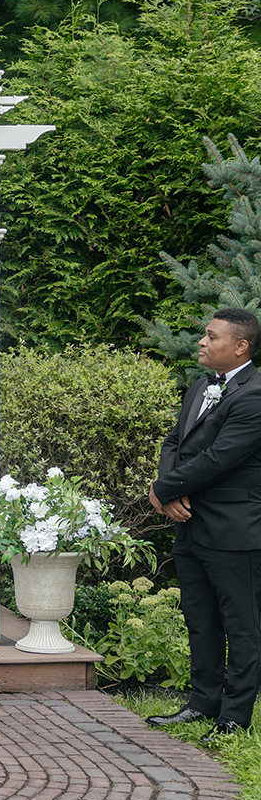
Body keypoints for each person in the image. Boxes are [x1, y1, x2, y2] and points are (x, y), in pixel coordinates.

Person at [147, 308, 261, 741]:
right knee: (201, 619)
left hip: (235, 530)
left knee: (243, 625)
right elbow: (175, 441)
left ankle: (234, 716)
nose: (201, 342)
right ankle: (201, 703)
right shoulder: (200, 386)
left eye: (210, 337)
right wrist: (169, 490)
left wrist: (163, 489)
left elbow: (221, 458)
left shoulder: (255, 394)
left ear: (240, 346)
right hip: (190, 526)